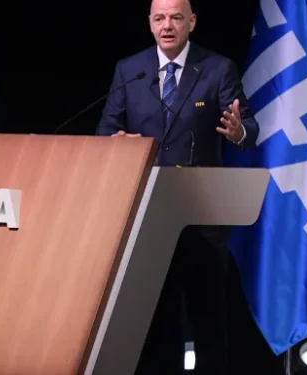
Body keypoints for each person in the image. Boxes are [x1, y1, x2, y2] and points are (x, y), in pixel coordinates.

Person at [96, 0, 259, 374]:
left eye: (175, 17)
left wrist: (238, 132)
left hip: (201, 217)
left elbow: (250, 130)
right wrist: (117, 140)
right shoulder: (131, 70)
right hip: (147, 216)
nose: (167, 25)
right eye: (159, 18)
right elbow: (106, 130)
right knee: (159, 322)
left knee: (208, 323)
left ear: (192, 22)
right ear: (150, 24)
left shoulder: (217, 69)